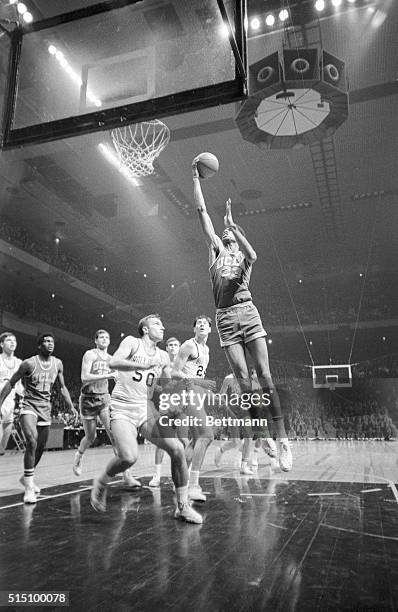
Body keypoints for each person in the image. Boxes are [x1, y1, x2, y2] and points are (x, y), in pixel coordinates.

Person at [193, 161, 292, 471]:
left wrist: (235, 226)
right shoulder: (216, 254)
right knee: (245, 383)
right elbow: (202, 214)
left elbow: (253, 255)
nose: (226, 237)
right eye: (225, 235)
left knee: (264, 375)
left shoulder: (243, 259)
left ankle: (284, 439)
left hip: (248, 313)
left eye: (231, 236)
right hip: (224, 318)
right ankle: (262, 436)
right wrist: (195, 177)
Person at [90, 314, 202, 524]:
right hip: (123, 407)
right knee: (129, 457)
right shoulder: (133, 343)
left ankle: (182, 506)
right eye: (157, 324)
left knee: (176, 448)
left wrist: (187, 378)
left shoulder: (161, 356)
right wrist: (141, 366)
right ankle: (102, 481)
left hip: (145, 407)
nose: (162, 327)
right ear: (145, 329)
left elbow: (170, 374)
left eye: (162, 323)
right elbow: (113, 362)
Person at [0, 333, 77, 503]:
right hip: (28, 407)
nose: (50, 344)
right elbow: (10, 383)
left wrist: (71, 406)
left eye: (52, 341)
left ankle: (26, 476)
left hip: (45, 408)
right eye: (46, 341)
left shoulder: (58, 363)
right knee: (32, 442)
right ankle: (29, 487)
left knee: (41, 447)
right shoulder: (28, 363)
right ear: (39, 345)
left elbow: (62, 387)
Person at [73, 330, 139, 486]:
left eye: (107, 337)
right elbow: (85, 378)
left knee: (115, 437)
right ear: (95, 340)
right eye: (101, 337)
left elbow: (121, 379)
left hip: (104, 399)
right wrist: (108, 376)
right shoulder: (90, 355)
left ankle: (127, 475)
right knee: (91, 437)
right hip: (88, 400)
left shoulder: (111, 359)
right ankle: (78, 457)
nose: (104, 339)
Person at [171, 315, 216, 502]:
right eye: (198, 324)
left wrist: (206, 390)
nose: (202, 325)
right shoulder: (189, 346)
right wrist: (196, 383)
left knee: (196, 439)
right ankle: (193, 485)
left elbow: (199, 375)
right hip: (186, 393)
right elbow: (174, 372)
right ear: (194, 330)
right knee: (207, 436)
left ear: (210, 330)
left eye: (205, 323)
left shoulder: (206, 349)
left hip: (197, 393)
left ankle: (179, 482)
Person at [149, 337, 182, 487]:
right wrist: (162, 389)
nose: (173, 347)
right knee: (162, 443)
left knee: (184, 441)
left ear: (179, 347)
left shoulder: (184, 365)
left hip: (181, 407)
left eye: (176, 345)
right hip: (165, 408)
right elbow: (150, 382)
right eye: (170, 345)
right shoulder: (161, 364)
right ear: (167, 348)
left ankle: (182, 474)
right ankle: (157, 476)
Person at [214, 372, 254, 474]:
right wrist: (226, 407)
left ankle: (243, 467)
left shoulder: (249, 378)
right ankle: (221, 450)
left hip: (245, 412)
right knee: (235, 442)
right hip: (232, 412)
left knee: (249, 438)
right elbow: (221, 395)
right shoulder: (228, 379)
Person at [0, 332, 23, 455]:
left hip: (10, 403)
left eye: (14, 340)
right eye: (9, 340)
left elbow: (19, 385)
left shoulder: (19, 363)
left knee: (1, 449)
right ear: (1, 344)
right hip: (0, 400)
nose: (12, 342)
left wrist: (26, 395)